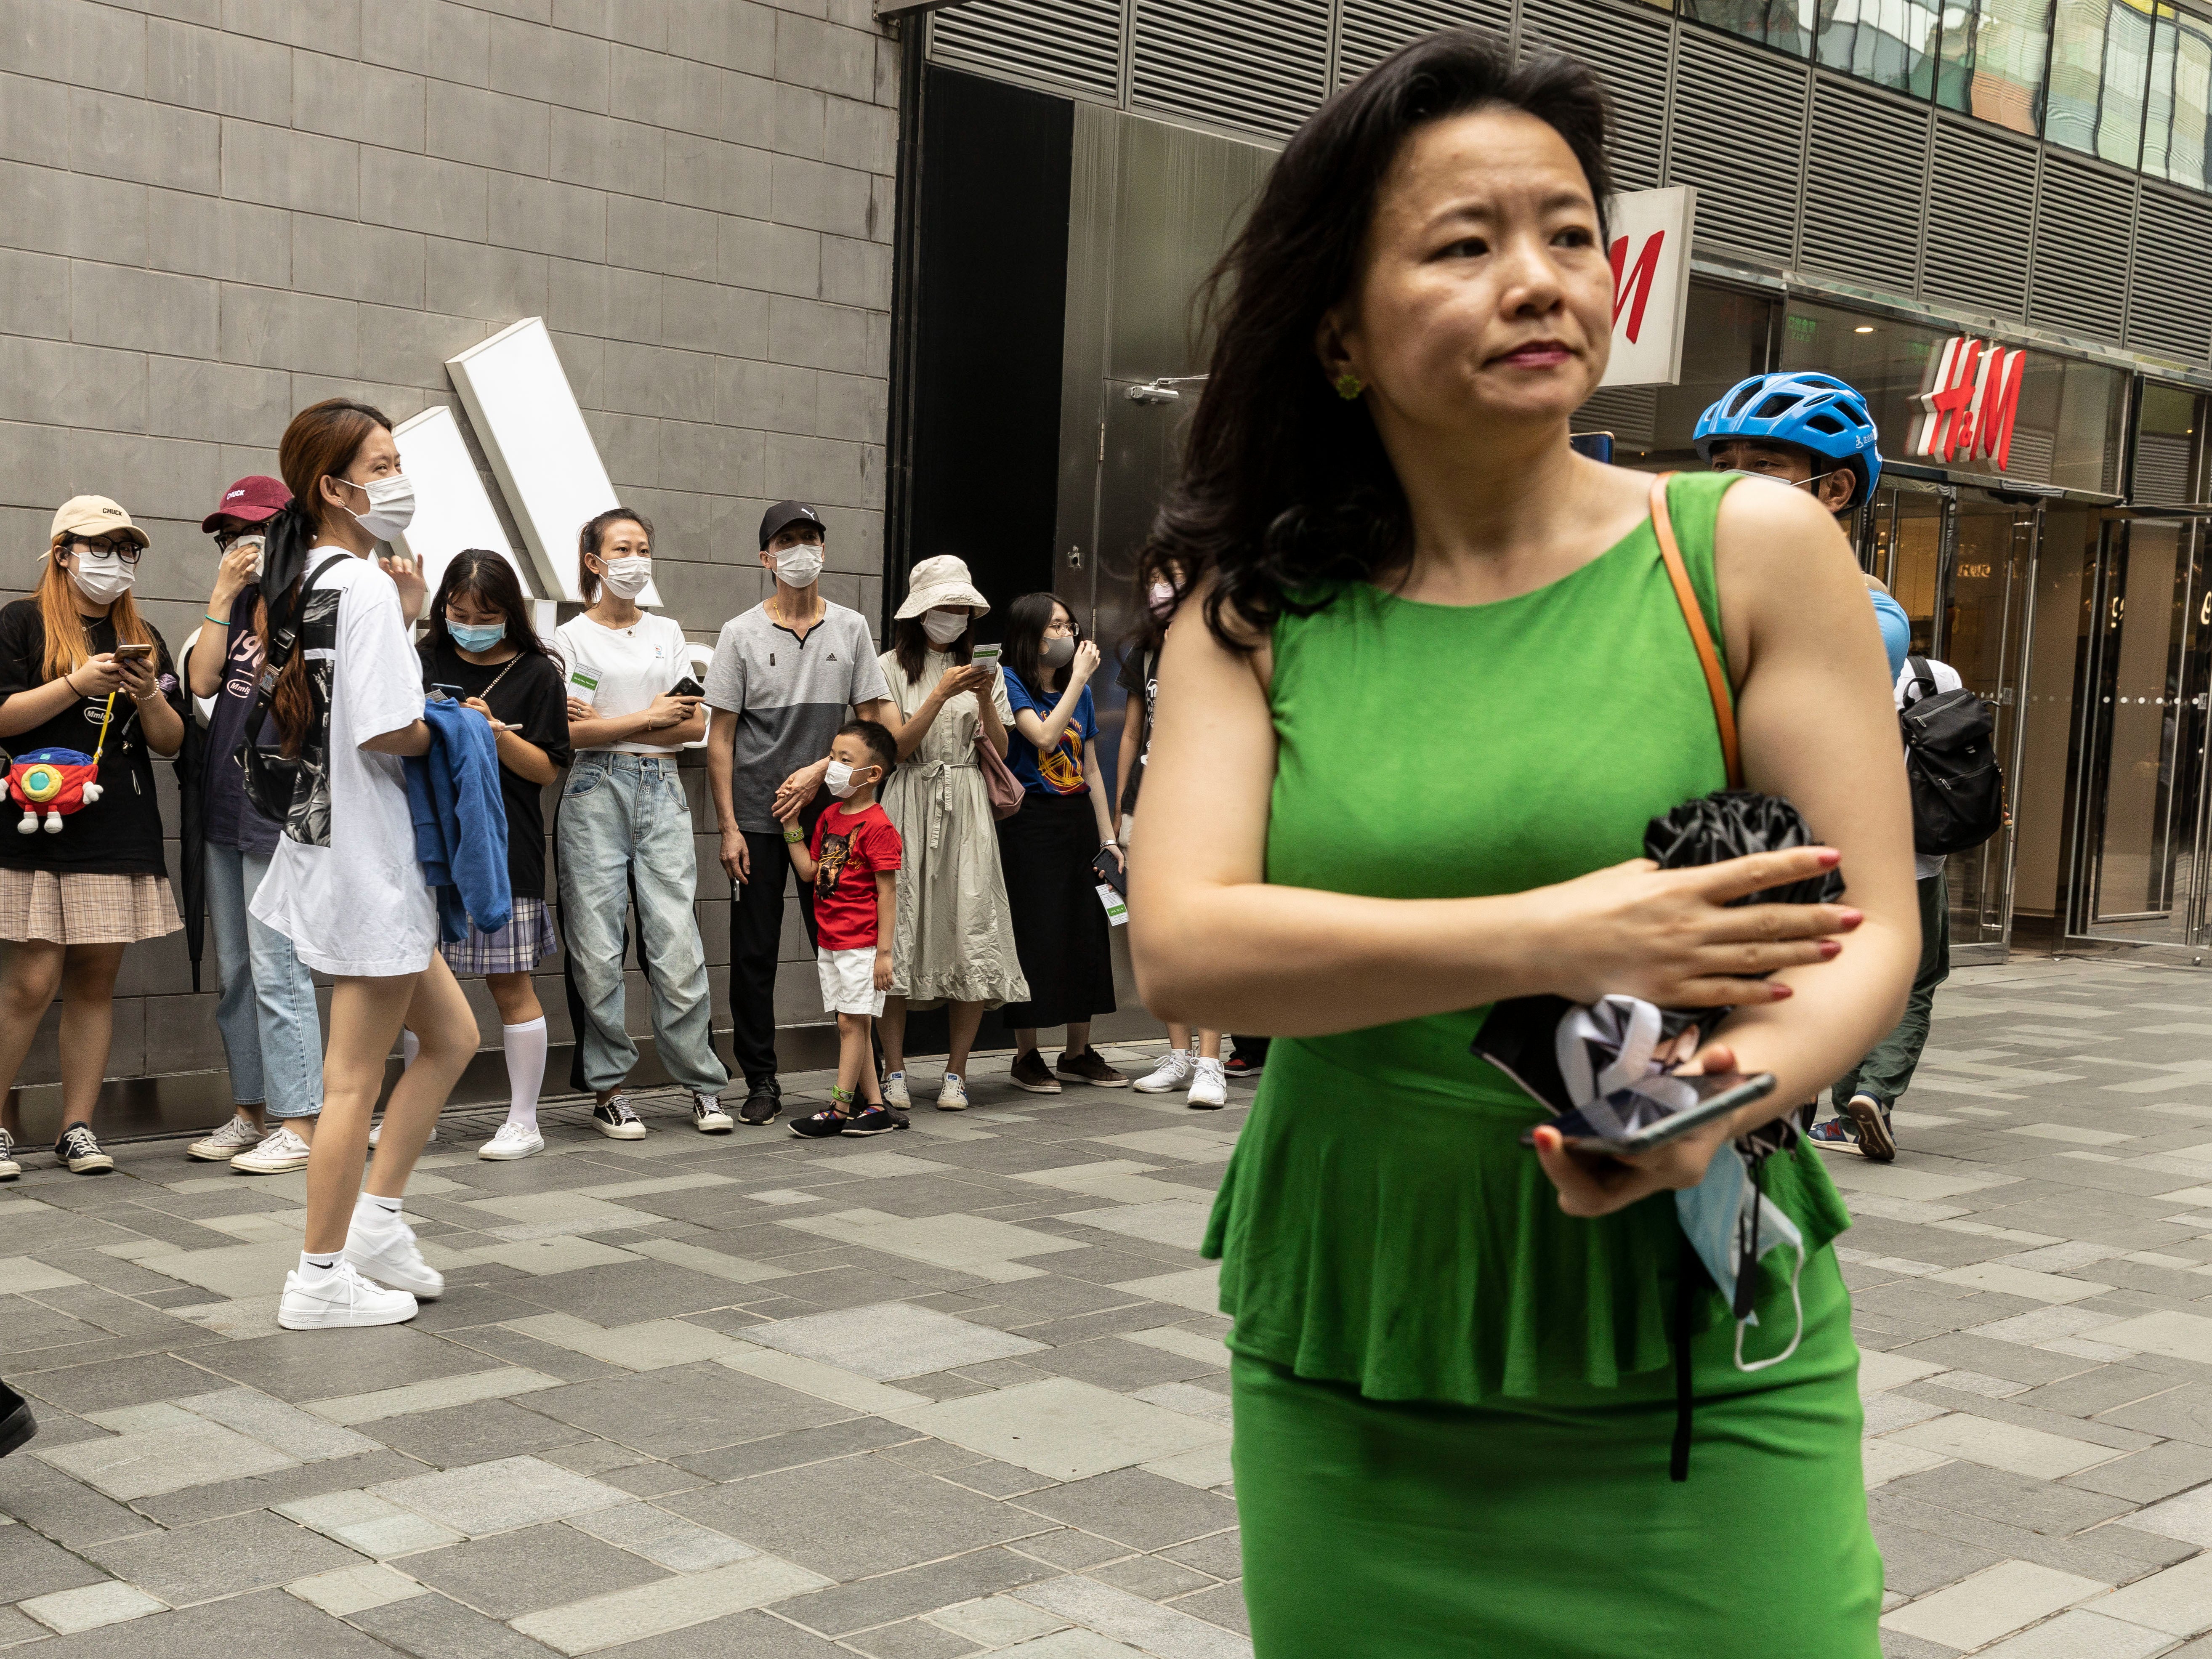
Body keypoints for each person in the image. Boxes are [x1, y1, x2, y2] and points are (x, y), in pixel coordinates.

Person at [1126, 32, 1918, 1657]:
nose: (1539, 279)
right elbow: (1186, 951)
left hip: (1688, 1335)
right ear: (1338, 331)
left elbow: (1872, 931)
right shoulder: (1253, 616)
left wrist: (1708, 1108)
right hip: (1363, 1327)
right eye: (1464, 244)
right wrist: (1560, 931)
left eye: (1568, 233)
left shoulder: (1745, 549)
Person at [248, 399, 478, 1329]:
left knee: (454, 1037)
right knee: (352, 1080)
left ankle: (375, 1223)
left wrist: (414, 622)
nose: (397, 479)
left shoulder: (303, 578)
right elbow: (389, 728)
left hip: (324, 844)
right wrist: (462, 728)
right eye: (380, 464)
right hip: (369, 856)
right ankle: (317, 1277)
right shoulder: (363, 587)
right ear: (332, 487)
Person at [0, 497, 186, 1179]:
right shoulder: (21, 622)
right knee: (31, 979)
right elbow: (4, 717)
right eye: (100, 547)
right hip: (37, 822)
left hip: (117, 824)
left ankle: (77, 1126)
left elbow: (170, 743)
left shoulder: (145, 635)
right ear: (63, 552)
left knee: (96, 978)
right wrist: (77, 681)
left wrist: (148, 695)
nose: (115, 561)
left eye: (127, 549)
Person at [705, 501, 896, 1127]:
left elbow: (873, 723)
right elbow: (722, 738)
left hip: (835, 816)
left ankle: (868, 1089)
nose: (800, 549)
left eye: (810, 538)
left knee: (846, 946)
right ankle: (762, 1079)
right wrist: (729, 826)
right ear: (766, 556)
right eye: (787, 540)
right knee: (755, 953)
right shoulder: (740, 633)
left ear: (824, 549)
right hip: (760, 822)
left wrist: (821, 769)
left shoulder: (852, 628)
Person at [555, 509, 730, 1139]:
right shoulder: (569, 639)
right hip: (594, 786)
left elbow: (693, 724)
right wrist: (652, 714)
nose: (636, 558)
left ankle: (704, 1086)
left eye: (644, 548)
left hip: (661, 785)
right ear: (595, 563)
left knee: (676, 943)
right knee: (598, 948)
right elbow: (570, 732)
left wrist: (627, 718)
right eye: (621, 548)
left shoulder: (667, 631)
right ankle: (609, 1090)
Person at [183, 476, 325, 1176]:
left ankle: (302, 1120)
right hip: (223, 806)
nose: (240, 545)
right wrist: (220, 596)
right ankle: (252, 1111)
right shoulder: (237, 605)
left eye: (254, 530)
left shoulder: (317, 602)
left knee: (278, 969)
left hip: (280, 810)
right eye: (228, 534)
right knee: (236, 971)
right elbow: (204, 681)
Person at [418, 550, 572, 1160]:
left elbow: (547, 769)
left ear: (511, 612)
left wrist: (497, 733)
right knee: (417, 985)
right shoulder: (424, 657)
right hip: (430, 839)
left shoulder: (538, 674)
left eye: (486, 614)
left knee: (510, 983)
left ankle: (523, 1120)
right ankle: (420, 1111)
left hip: (506, 846)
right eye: (459, 612)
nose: (470, 623)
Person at [872, 556, 1027, 1112]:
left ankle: (957, 1072)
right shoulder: (888, 666)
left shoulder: (987, 670)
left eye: (963, 607)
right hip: (907, 801)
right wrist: (940, 692)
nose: (955, 616)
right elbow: (897, 749)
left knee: (972, 927)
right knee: (900, 928)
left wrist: (984, 693)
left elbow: (1006, 752)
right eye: (945, 606)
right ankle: (893, 1068)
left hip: (967, 804)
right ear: (920, 612)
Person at [1811, 651, 1963, 1163]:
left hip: (1843, 857)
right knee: (1914, 982)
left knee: (1850, 978)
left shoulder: (1822, 668)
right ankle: (1872, 1096)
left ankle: (1848, 1109)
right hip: (1919, 858)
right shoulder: (1933, 676)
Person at [1694, 371, 1912, 680]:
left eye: (1764, 464)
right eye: (1723, 466)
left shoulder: (1873, 617)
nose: (1732, 482)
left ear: (1835, 490)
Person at [997, 593, 1126, 1093]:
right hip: (1030, 822)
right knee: (1034, 932)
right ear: (1032, 634)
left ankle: (1078, 1051)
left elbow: (1089, 768)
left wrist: (1108, 838)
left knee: (1084, 930)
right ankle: (1026, 1054)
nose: (1068, 635)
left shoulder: (1083, 694)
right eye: (1057, 625)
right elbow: (1045, 737)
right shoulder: (1010, 682)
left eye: (1071, 625)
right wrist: (1077, 681)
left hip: (1076, 822)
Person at [1118, 575, 1226, 1109]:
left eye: (1180, 578)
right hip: (1150, 802)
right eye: (1160, 579)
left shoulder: (1227, 642)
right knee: (1163, 931)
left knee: (1208, 932)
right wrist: (1121, 813)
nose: (1167, 589)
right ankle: (1179, 1055)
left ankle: (1212, 1062)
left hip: (1209, 803)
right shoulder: (1145, 653)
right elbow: (1133, 734)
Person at [783, 721, 905, 1138]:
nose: (833, 766)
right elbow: (809, 871)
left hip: (862, 944)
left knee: (850, 1024)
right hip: (830, 940)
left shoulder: (879, 827)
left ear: (873, 774)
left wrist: (884, 954)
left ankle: (839, 1107)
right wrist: (791, 825)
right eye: (832, 757)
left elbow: (888, 895)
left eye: (844, 760)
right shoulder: (830, 817)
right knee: (857, 1021)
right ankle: (874, 1108)